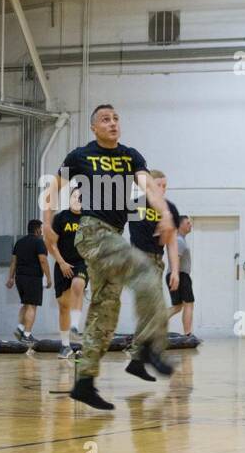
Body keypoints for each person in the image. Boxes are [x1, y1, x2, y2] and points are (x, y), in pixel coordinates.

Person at [42, 104, 174, 409]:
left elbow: (148, 185)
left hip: (114, 235)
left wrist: (164, 213)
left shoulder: (130, 155)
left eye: (116, 118)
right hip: (91, 232)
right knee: (145, 273)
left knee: (105, 307)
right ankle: (148, 348)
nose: (112, 123)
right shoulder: (80, 155)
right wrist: (47, 224)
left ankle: (84, 382)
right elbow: (52, 190)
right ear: (94, 127)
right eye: (105, 119)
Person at [128, 169, 181, 372]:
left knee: (149, 311)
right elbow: (153, 233)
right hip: (140, 260)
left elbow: (171, 242)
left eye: (165, 186)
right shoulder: (136, 204)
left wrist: (175, 271)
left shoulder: (170, 209)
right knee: (157, 310)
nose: (162, 189)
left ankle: (137, 360)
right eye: (159, 185)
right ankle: (154, 354)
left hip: (158, 263)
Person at [49, 188, 88, 358]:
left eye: (81, 197)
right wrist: (61, 262)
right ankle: (65, 345)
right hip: (62, 263)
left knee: (78, 285)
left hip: (82, 262)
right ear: (69, 198)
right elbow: (51, 244)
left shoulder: (89, 219)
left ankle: (75, 325)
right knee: (63, 305)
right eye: (74, 196)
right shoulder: (60, 218)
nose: (77, 199)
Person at [7, 221, 50, 342]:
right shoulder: (39, 242)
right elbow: (43, 260)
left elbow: (13, 262)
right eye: (41, 229)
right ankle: (27, 335)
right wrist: (49, 277)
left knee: (26, 304)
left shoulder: (19, 242)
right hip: (33, 277)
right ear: (37, 230)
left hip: (20, 278)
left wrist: (10, 278)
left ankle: (20, 328)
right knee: (32, 306)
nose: (42, 231)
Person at [169, 215, 196, 338]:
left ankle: (154, 324)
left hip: (177, 275)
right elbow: (176, 258)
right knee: (189, 304)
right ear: (180, 225)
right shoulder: (179, 240)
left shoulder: (179, 239)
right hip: (181, 275)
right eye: (188, 223)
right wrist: (177, 276)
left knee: (177, 307)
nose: (190, 225)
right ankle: (187, 334)